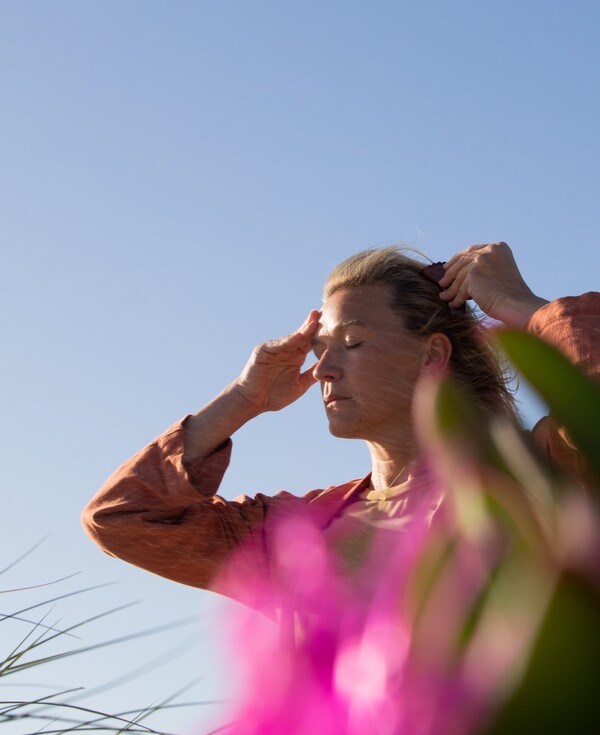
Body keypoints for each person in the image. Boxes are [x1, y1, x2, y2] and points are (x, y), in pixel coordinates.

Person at [82, 242, 599, 609]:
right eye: (319, 350)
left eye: (352, 343)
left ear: (431, 355)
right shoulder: (299, 536)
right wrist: (243, 398)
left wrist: (525, 308)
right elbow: (124, 517)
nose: (325, 368)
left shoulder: (540, 475)